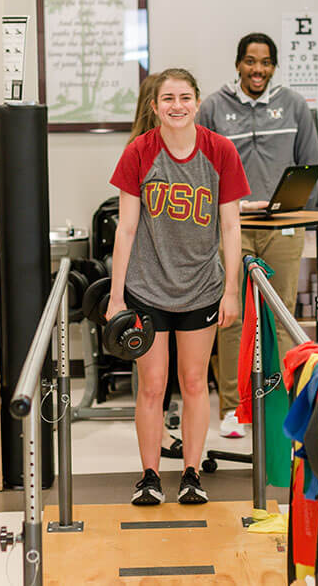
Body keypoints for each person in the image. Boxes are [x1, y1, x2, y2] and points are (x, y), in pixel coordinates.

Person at [108, 68, 250, 505]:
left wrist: (231, 290)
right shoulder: (139, 152)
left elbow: (230, 226)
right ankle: (149, 475)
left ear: (197, 102)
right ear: (155, 107)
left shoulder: (220, 150)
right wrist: (115, 297)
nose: (176, 106)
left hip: (201, 288)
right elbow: (126, 230)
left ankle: (191, 472)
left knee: (193, 382)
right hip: (148, 288)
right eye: (167, 99)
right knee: (152, 385)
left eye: (184, 97)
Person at [198, 32, 318, 438]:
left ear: (274, 66)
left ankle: (283, 405)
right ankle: (233, 408)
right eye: (250, 61)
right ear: (238, 64)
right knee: (231, 316)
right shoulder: (214, 107)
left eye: (266, 62)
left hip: (281, 228)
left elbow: (310, 166)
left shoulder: (294, 106)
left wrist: (297, 209)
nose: (258, 70)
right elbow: (198, 168)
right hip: (233, 227)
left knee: (282, 313)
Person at [126, 73, 184, 461]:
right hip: (150, 275)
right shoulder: (141, 150)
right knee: (153, 371)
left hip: (182, 275)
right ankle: (158, 431)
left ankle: (163, 426)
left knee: (171, 368)